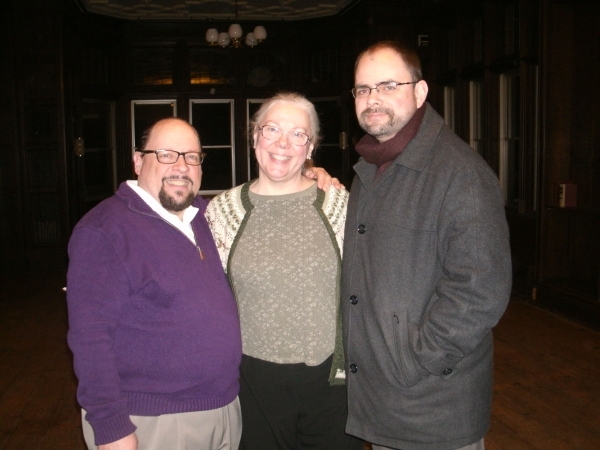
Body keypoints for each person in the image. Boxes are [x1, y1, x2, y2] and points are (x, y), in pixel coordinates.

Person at [341, 40, 512, 450]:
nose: (372, 99)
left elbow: (479, 291)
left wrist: (416, 359)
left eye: (387, 85)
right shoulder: (372, 168)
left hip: (433, 406)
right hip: (386, 401)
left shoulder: (459, 173)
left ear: (420, 92)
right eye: (363, 89)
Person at [66, 118, 243, 450]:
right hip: (154, 421)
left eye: (191, 156)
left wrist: (311, 173)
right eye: (165, 154)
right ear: (137, 161)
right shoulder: (105, 230)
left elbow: (256, 200)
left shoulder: (205, 217)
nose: (181, 166)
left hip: (223, 408)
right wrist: (111, 428)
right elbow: (90, 338)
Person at [205, 92, 364, 450]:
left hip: (332, 381)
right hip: (252, 383)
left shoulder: (342, 205)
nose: (282, 143)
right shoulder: (221, 212)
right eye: (272, 129)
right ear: (254, 136)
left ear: (311, 147)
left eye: (298, 134)